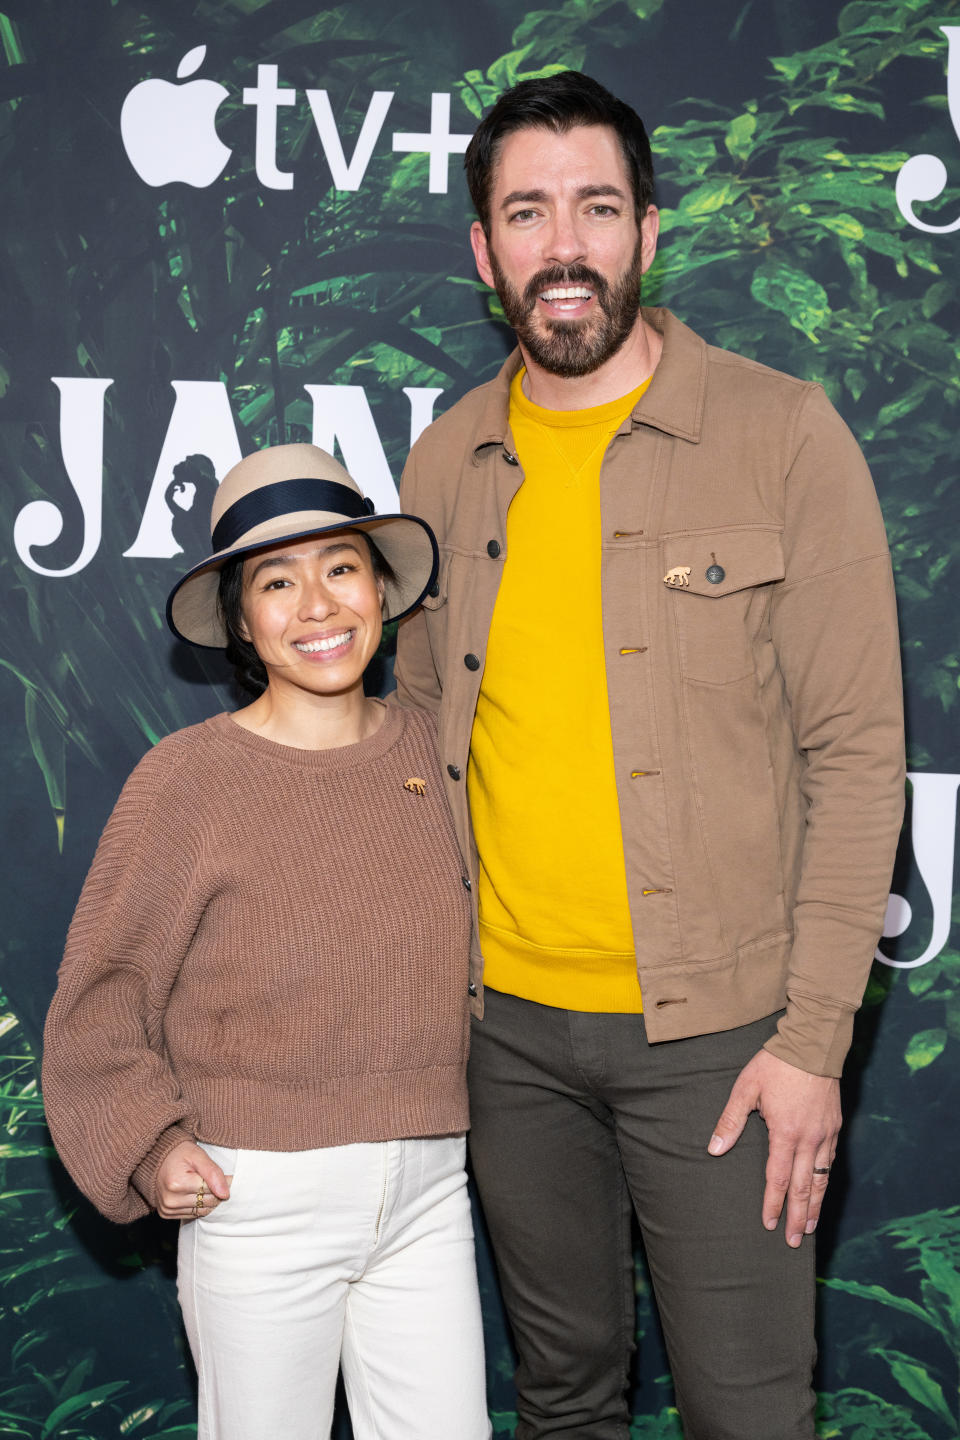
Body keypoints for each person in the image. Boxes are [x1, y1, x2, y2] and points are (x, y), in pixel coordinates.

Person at [394, 71, 905, 1440]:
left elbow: (859, 758)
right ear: (483, 252)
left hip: (727, 1044)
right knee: (563, 1404)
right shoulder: (445, 467)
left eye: (598, 207)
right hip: (509, 1046)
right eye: (528, 211)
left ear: (648, 233)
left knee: (748, 1413)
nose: (565, 244)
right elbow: (424, 737)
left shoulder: (782, 435)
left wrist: (812, 1045)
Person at [42, 443, 492, 1440]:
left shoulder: (439, 753)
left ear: (381, 588)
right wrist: (153, 1148)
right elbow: (100, 996)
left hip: (429, 1189)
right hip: (258, 1198)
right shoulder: (185, 781)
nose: (318, 606)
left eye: (340, 567)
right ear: (243, 622)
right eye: (276, 582)